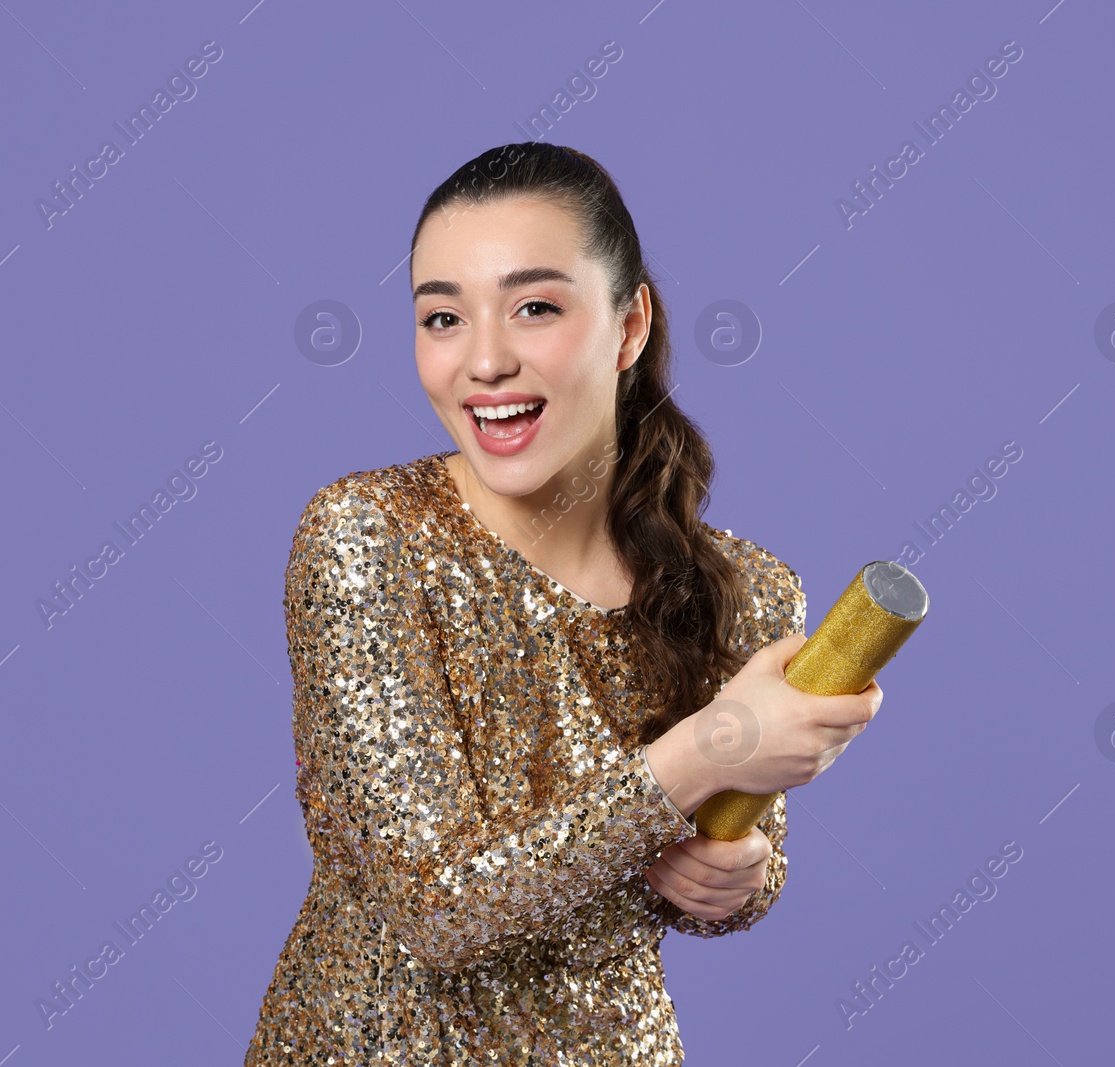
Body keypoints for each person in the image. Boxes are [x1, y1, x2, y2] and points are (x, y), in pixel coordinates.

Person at [243, 142, 882, 1065]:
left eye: (535, 307)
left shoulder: (745, 588)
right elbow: (440, 913)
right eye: (442, 318)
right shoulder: (367, 538)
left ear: (629, 328)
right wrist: (707, 748)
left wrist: (738, 877)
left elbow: (729, 868)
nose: (486, 360)